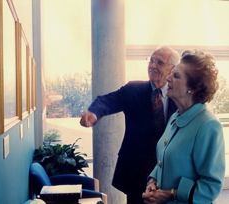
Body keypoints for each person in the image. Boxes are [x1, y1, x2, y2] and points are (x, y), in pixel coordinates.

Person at [80, 46, 180, 204]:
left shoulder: (179, 94)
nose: (152, 65)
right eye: (151, 60)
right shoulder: (133, 90)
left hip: (168, 173)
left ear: (172, 69)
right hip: (136, 172)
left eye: (159, 62)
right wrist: (93, 113)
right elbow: (107, 101)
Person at [142, 50, 225, 204]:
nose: (168, 78)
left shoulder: (208, 126)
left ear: (192, 88)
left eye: (176, 76)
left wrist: (172, 193)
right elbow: (164, 159)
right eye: (171, 73)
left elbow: (211, 186)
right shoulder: (175, 117)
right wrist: (152, 182)